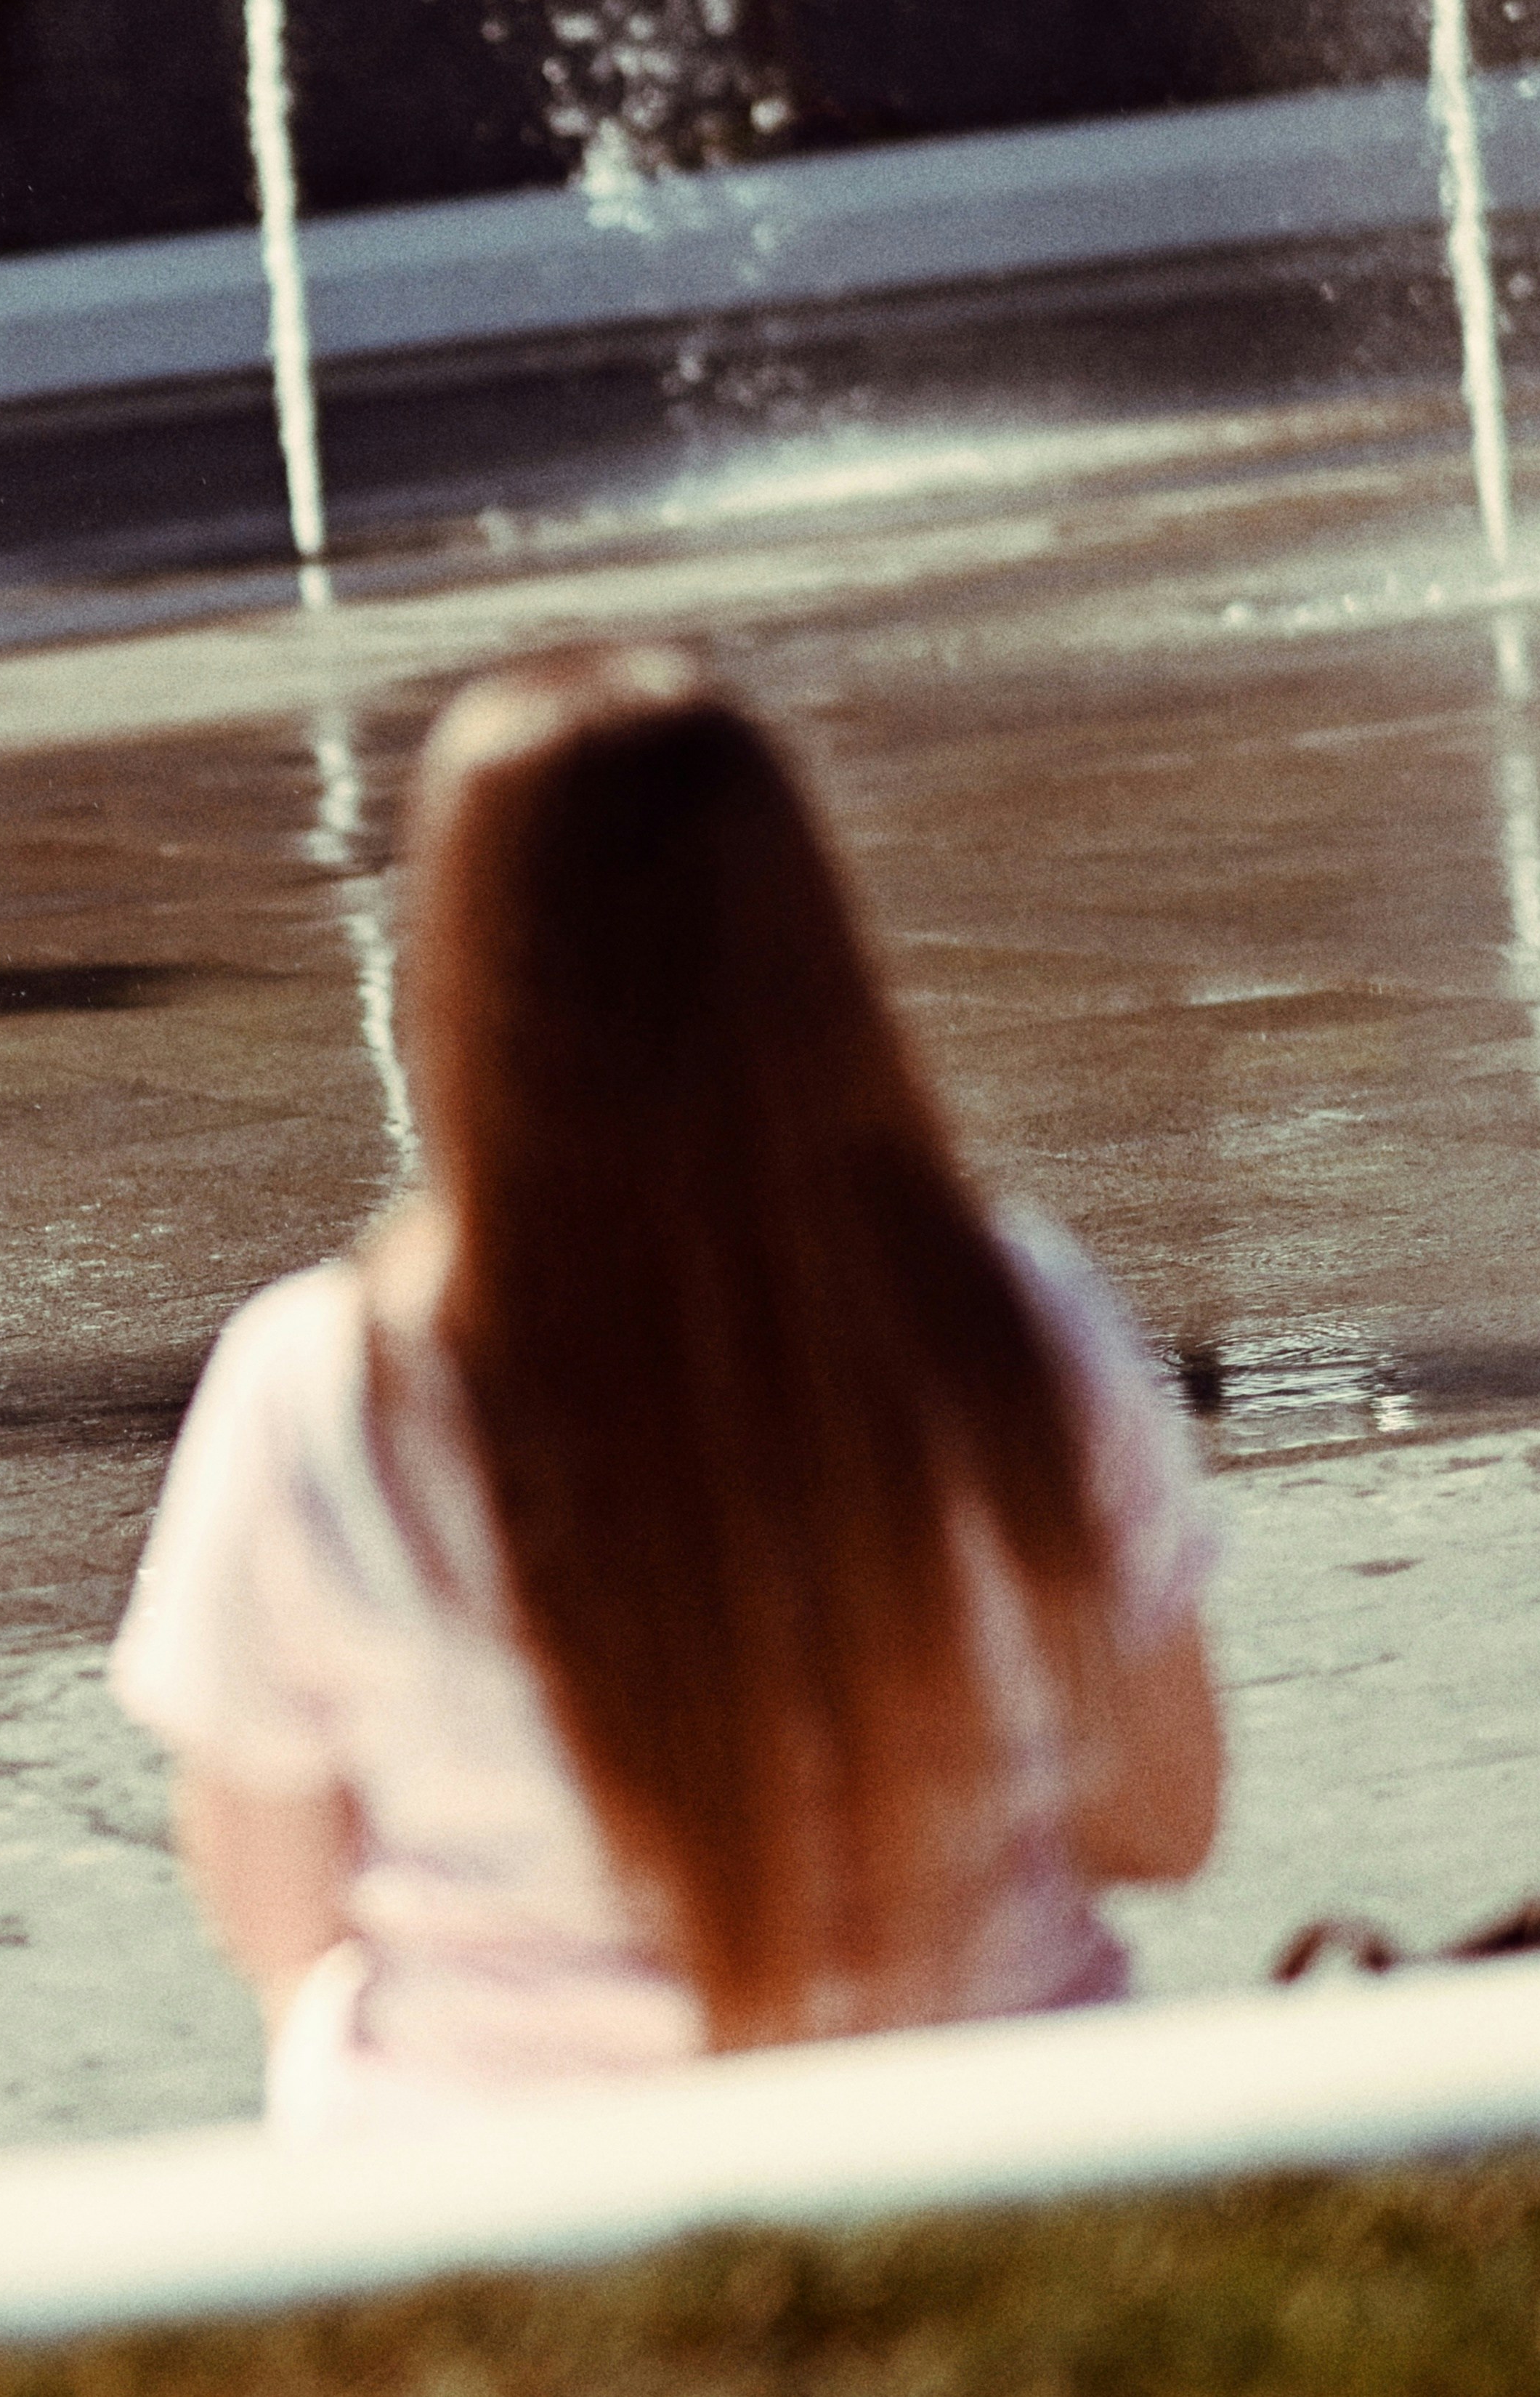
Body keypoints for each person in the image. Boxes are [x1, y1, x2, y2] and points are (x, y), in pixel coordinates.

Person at [111, 645, 1225, 2137]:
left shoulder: (326, 1387)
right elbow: (1167, 1812)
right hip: (995, 2147)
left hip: (507, 2193)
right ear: (809, 948)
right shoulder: (1009, 1315)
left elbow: (272, 1896)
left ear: (460, 972)